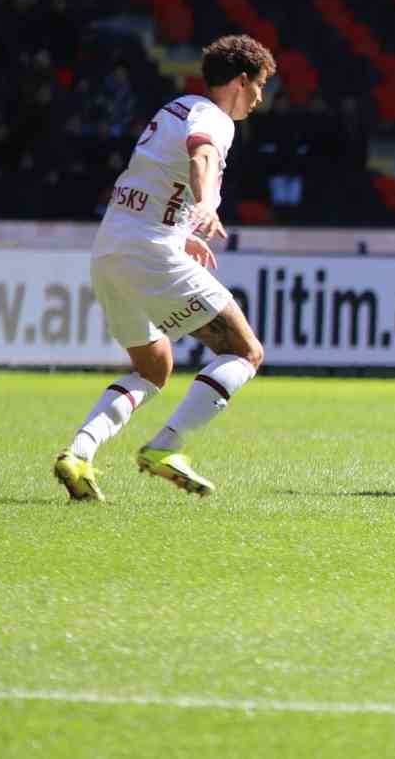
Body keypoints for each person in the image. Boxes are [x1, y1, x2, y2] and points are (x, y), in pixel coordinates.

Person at [53, 34, 276, 502]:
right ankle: (165, 447)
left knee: (153, 367)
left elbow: (155, 180)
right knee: (245, 351)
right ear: (241, 80)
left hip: (111, 249)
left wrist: (183, 233)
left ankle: (79, 453)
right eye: (259, 86)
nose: (259, 98)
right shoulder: (214, 119)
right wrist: (208, 203)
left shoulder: (174, 108)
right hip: (149, 252)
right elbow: (203, 155)